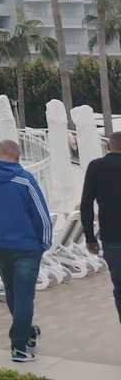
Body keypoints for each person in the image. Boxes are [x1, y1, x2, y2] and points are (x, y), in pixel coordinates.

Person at [0, 138, 51, 363]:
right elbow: (41, 214)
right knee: (24, 296)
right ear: (18, 156)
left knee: (12, 292)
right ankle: (19, 346)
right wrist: (45, 242)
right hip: (26, 246)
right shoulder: (25, 179)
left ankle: (27, 332)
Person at [79, 130, 121, 324]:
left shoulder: (96, 167)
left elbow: (86, 204)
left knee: (119, 286)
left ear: (108, 146)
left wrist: (89, 237)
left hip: (112, 237)